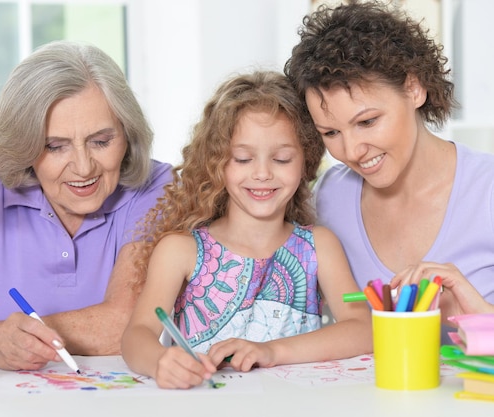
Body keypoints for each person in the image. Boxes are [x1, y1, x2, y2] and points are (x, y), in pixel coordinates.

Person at [0, 41, 172, 370]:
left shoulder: (154, 187)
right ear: (22, 145)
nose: (83, 167)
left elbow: (127, 326)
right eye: (55, 146)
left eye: (101, 141)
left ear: (127, 133)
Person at [121, 70, 372, 389]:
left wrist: (270, 351)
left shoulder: (319, 246)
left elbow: (363, 328)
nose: (263, 173)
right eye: (242, 158)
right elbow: (135, 335)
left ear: (305, 161)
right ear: (217, 163)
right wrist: (159, 362)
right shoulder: (180, 250)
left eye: (281, 159)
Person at [285, 1, 494, 333]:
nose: (352, 151)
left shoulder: (487, 191)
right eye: (332, 133)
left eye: (367, 121)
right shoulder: (327, 199)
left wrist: (475, 312)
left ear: (413, 89)